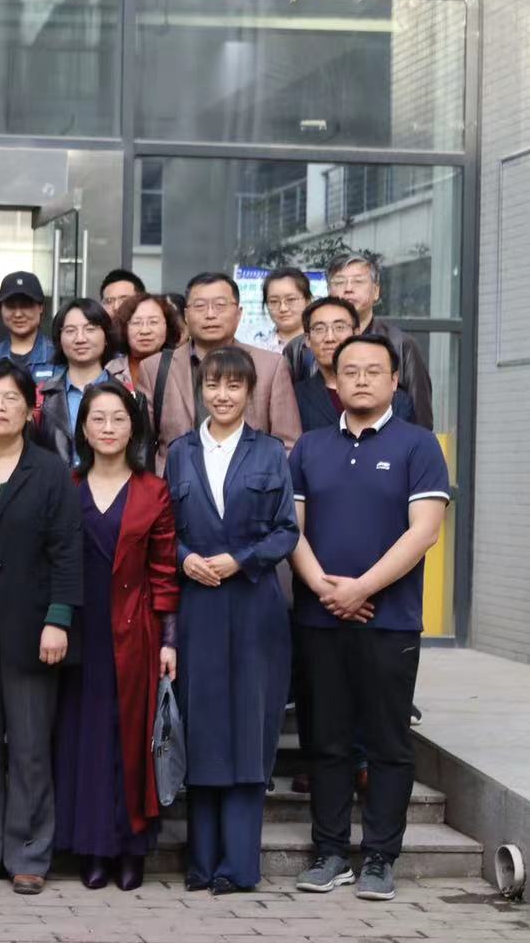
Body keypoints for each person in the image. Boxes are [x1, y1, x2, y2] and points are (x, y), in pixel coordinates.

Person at [288, 335, 450, 902]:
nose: (360, 379)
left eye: (373, 371)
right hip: (320, 620)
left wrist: (361, 588)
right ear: (334, 381)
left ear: (394, 381)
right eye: (350, 370)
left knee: (387, 744)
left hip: (390, 621)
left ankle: (381, 856)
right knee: (326, 741)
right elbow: (291, 530)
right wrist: (322, 587)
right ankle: (331, 853)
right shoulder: (309, 447)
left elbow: (424, 533)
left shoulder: (418, 445)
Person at [164, 346, 298, 895]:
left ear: (249, 393)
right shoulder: (180, 453)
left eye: (233, 386)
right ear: (201, 392)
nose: (222, 395)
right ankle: (201, 864)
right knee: (203, 727)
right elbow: (162, 529)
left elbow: (287, 530)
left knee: (249, 727)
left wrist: (241, 560)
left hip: (253, 605)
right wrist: (183, 558)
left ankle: (239, 867)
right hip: (197, 607)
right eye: (213, 385)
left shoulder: (269, 453)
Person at [0, 360, 81, 895]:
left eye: (10, 398)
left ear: (30, 411)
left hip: (32, 624)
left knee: (28, 743)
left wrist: (58, 620)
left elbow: (67, 551)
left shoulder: (49, 471)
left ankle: (28, 853)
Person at [53, 383, 178, 892]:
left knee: (129, 740)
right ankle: (91, 848)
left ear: (134, 428)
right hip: (78, 631)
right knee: (82, 738)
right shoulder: (67, 486)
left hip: (135, 630)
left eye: (118, 419)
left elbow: (164, 569)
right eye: (97, 419)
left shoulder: (153, 491)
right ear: (83, 429)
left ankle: (131, 849)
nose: (108, 428)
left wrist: (169, 637)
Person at [140, 272, 301, 473]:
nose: (210, 314)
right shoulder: (155, 367)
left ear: (239, 313)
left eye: (220, 305)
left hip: (250, 486)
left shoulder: (270, 366)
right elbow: (142, 443)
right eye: (200, 306)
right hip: (174, 485)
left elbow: (288, 444)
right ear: (186, 315)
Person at [36, 299, 149, 468]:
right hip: (53, 484)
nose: (80, 338)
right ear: (59, 339)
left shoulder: (131, 397)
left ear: (106, 337)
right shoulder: (40, 396)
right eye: (70, 330)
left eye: (90, 329)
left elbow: (141, 462)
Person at [326, 253, 433, 429]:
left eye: (358, 281)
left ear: (376, 291)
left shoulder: (402, 345)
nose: (348, 288)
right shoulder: (302, 347)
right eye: (339, 282)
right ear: (329, 291)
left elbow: (421, 418)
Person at [295, 298, 415, 433]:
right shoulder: (295, 397)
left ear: (356, 333)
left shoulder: (396, 398)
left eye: (339, 327)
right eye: (319, 329)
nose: (330, 338)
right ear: (307, 339)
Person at [0, 272, 58, 381]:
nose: (18, 314)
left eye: (26, 305)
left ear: (41, 307)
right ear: (0, 309)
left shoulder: (58, 356)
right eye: (11, 306)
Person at [116, 292, 183, 393]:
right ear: (124, 328)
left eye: (153, 322)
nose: (145, 331)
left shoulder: (183, 369)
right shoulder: (110, 371)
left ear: (167, 327)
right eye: (136, 323)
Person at [262, 267, 313, 378]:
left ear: (308, 301)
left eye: (291, 300)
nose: (283, 308)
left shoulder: (322, 344)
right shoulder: (258, 349)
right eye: (274, 301)